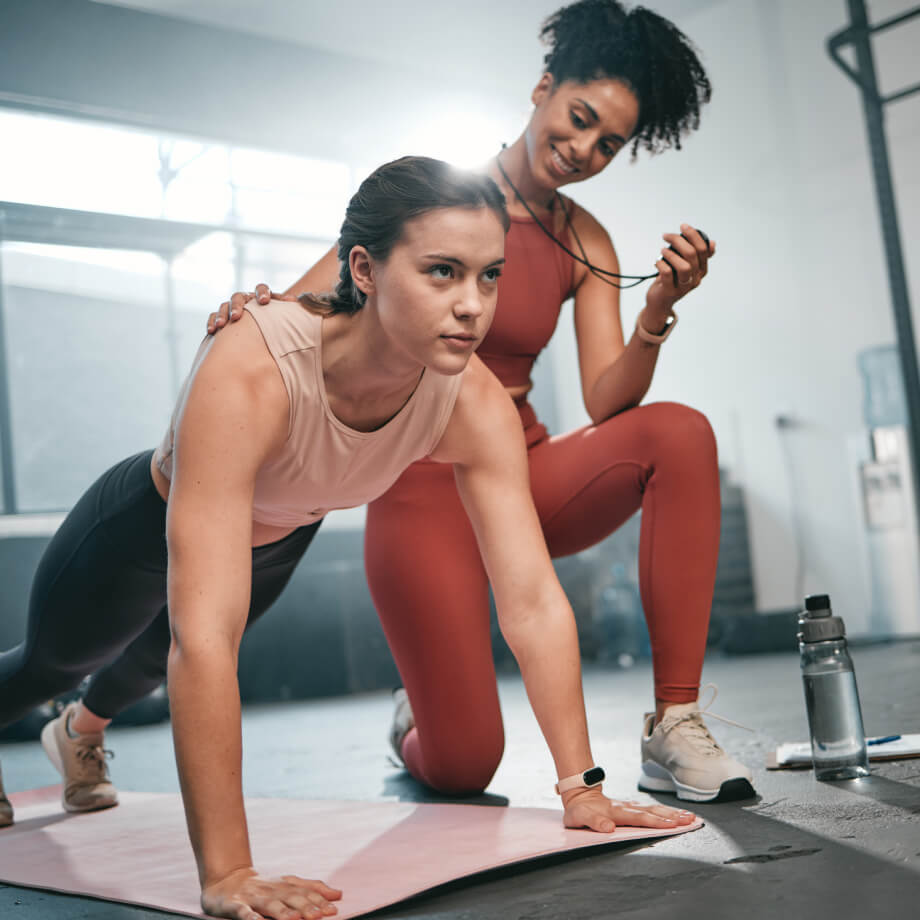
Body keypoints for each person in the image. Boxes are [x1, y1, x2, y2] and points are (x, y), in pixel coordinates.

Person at [0, 156, 695, 920]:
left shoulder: (473, 402)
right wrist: (229, 874)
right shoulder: (255, 367)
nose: (473, 306)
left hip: (279, 536)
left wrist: (581, 791)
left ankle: (79, 736)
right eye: (441, 272)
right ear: (363, 268)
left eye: (489, 276)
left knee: (140, 672)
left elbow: (530, 601)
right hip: (137, 527)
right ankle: (57, 717)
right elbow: (205, 642)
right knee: (53, 664)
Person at [210, 0, 755, 805]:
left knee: (679, 433)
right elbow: (312, 307)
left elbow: (610, 403)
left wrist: (657, 311)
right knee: (464, 766)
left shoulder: (586, 239)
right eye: (578, 119)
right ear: (543, 87)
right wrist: (247, 313)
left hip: (522, 472)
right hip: (418, 483)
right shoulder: (439, 198)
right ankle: (412, 719)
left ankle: (674, 724)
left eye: (609, 143)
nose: (584, 150)